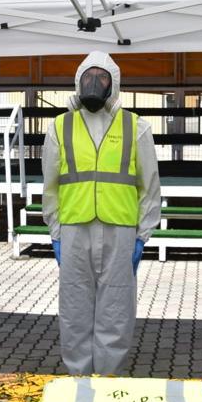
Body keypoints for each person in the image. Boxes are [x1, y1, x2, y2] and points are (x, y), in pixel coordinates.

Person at [41, 51, 161, 375]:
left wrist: (142, 236)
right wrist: (55, 233)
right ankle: (79, 382)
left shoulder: (137, 128)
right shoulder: (59, 127)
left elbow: (149, 187)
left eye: (102, 77)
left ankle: (109, 385)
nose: (94, 83)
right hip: (74, 229)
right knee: (75, 309)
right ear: (78, 81)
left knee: (116, 311)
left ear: (114, 84)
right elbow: (50, 186)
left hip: (121, 230)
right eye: (88, 76)